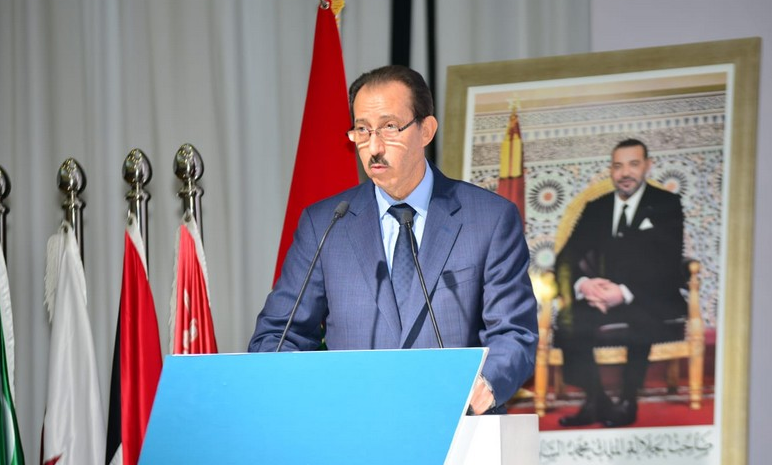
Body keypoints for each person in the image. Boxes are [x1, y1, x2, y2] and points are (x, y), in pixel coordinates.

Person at [248, 65, 538, 414]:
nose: (374, 146)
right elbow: (278, 336)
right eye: (362, 130)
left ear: (426, 130)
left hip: (458, 423)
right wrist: (312, 394)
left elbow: (513, 333)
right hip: (355, 422)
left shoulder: (489, 219)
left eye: (389, 127)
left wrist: (485, 385)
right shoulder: (325, 224)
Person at [555, 138, 687, 427]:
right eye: (618, 166)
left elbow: (668, 262)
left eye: (633, 164)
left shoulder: (666, 204)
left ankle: (628, 399)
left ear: (647, 166)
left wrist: (624, 292)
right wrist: (584, 285)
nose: (625, 173)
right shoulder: (597, 208)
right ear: (611, 170)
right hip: (600, 296)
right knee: (567, 320)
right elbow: (566, 257)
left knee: (641, 319)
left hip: (649, 296)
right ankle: (595, 400)